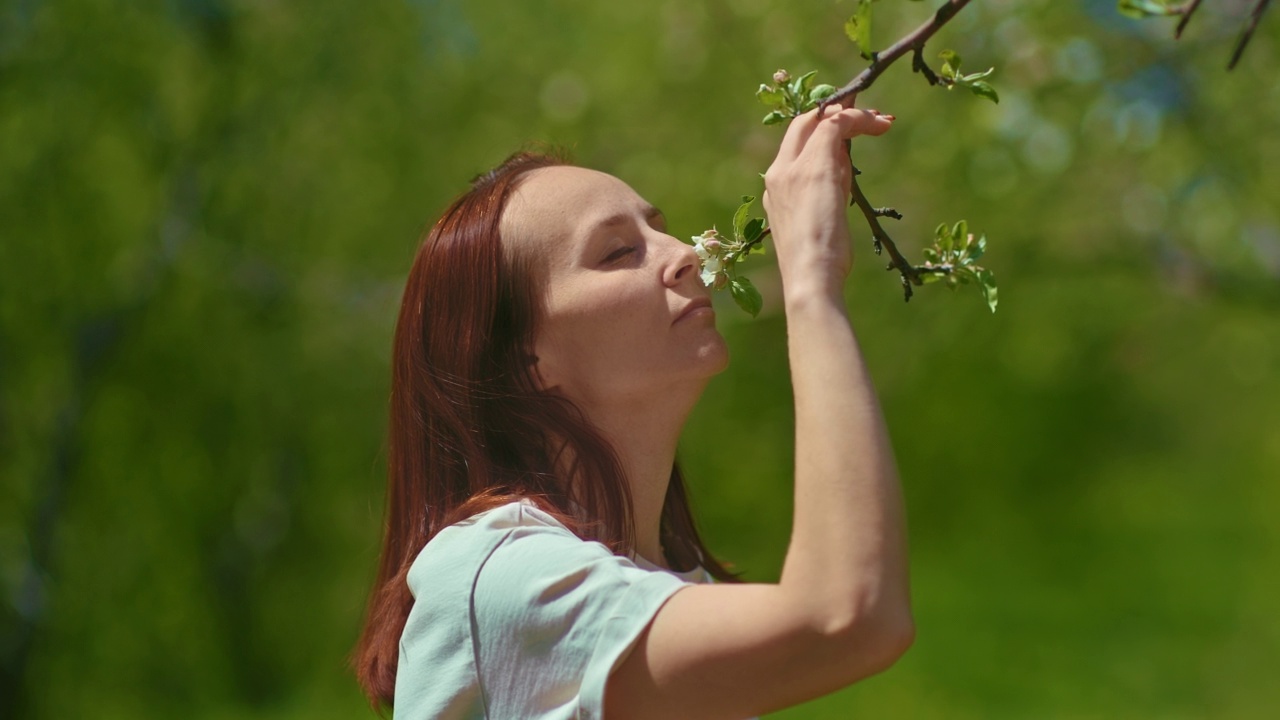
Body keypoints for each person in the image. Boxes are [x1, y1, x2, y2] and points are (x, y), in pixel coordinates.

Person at [353, 104, 912, 719]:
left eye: (660, 229)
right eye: (618, 253)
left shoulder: (666, 593)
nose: (683, 254)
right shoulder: (498, 578)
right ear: (524, 364)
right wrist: (811, 285)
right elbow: (847, 617)